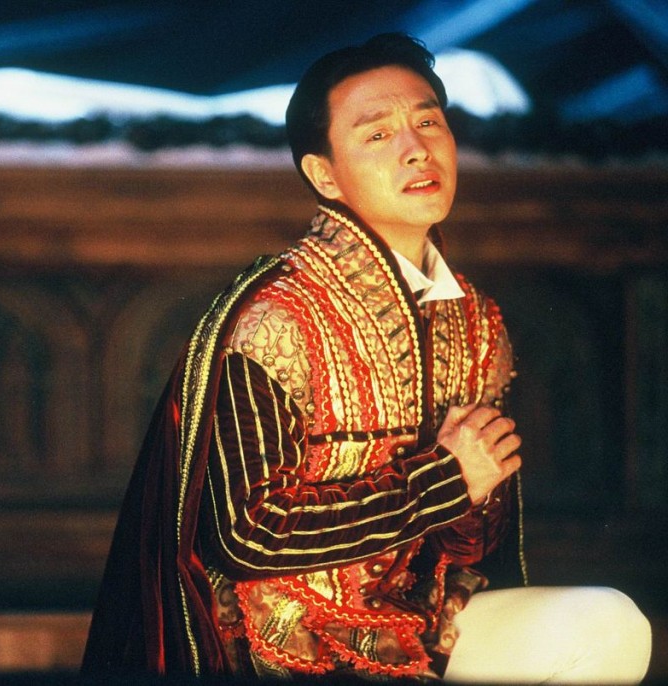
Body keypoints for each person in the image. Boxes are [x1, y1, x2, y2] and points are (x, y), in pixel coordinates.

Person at [82, 33, 651, 683]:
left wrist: (474, 498)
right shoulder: (275, 321)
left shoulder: (474, 321)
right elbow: (248, 537)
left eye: (428, 123)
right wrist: (443, 480)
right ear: (324, 174)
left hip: (415, 621)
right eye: (378, 134)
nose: (416, 149)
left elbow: (467, 546)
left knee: (610, 626)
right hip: (281, 646)